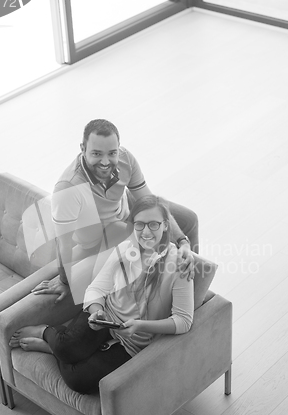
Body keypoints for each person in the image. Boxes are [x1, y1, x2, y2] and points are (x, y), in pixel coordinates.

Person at [9, 195, 194, 394]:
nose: (146, 232)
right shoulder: (125, 249)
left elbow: (183, 320)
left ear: (166, 225)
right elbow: (97, 289)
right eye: (139, 225)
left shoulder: (180, 265)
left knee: (78, 379)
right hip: (106, 318)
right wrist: (97, 311)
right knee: (66, 348)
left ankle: (50, 348)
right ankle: (45, 332)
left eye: (154, 224)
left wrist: (140, 326)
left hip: (134, 341)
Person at [31, 119, 198, 306]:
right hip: (100, 239)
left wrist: (183, 241)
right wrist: (64, 281)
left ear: (119, 148)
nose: (105, 162)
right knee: (157, 247)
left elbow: (150, 203)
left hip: (125, 214)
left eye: (112, 153)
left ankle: (191, 278)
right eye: (96, 154)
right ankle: (178, 294)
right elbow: (63, 243)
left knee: (188, 220)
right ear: (82, 149)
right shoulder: (68, 189)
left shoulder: (126, 158)